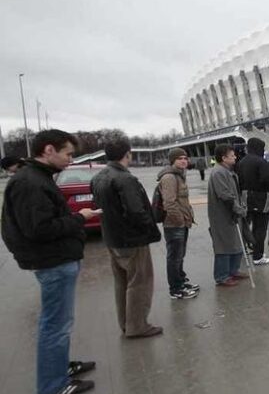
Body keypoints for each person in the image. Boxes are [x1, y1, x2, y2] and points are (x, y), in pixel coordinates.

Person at [1, 130, 98, 394]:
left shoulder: (36, 177)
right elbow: (39, 229)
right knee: (56, 325)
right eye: (68, 154)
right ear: (48, 150)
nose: (70, 159)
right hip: (53, 261)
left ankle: (59, 367)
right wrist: (79, 218)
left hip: (56, 258)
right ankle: (53, 385)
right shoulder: (30, 183)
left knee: (59, 322)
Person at [91, 139, 163, 338]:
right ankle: (138, 326)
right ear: (127, 154)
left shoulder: (98, 178)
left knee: (121, 282)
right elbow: (136, 211)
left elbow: (98, 205)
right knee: (139, 283)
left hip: (112, 238)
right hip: (132, 239)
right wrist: (149, 228)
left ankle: (125, 323)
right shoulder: (125, 179)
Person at [158, 148, 199, 300]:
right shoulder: (169, 177)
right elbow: (169, 203)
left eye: (185, 158)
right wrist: (180, 220)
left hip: (182, 223)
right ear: (172, 161)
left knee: (180, 255)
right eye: (179, 158)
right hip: (174, 224)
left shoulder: (179, 175)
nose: (183, 161)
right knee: (174, 257)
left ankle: (181, 281)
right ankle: (175, 289)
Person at [208, 144, 248, 286]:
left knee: (235, 242)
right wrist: (237, 209)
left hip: (232, 214)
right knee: (224, 245)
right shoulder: (219, 173)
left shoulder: (228, 171)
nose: (235, 157)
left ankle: (233, 270)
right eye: (232, 155)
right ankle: (222, 276)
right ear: (224, 158)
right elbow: (225, 195)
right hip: (223, 214)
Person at [237, 138, 269, 265]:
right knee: (261, 227)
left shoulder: (242, 162)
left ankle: (252, 249)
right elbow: (268, 179)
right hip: (261, 197)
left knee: (248, 225)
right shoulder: (261, 162)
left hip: (246, 196)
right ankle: (258, 255)